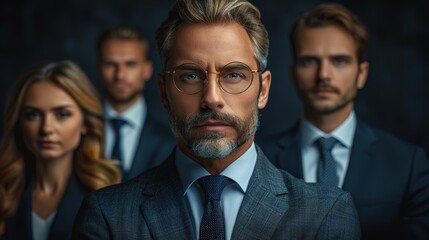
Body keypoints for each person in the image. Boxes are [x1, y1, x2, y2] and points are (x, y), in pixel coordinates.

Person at [73, 0, 361, 239]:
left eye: (234, 75)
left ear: (264, 90)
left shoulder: (326, 214)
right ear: (163, 92)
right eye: (190, 75)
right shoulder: (108, 216)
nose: (211, 98)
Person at [259, 3, 429, 240]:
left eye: (339, 61)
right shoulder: (258, 158)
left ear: (362, 74)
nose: (324, 75)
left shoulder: (407, 165)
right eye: (309, 61)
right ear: (293, 73)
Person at [0, 60, 120, 240]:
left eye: (62, 114)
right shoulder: (5, 193)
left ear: (86, 123)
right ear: (19, 122)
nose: (46, 128)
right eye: (33, 114)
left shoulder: (108, 197)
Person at [97, 25, 175, 181]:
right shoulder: (78, 133)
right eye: (111, 64)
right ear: (99, 69)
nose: (120, 75)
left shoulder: (171, 140)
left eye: (130, 64)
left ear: (147, 70)